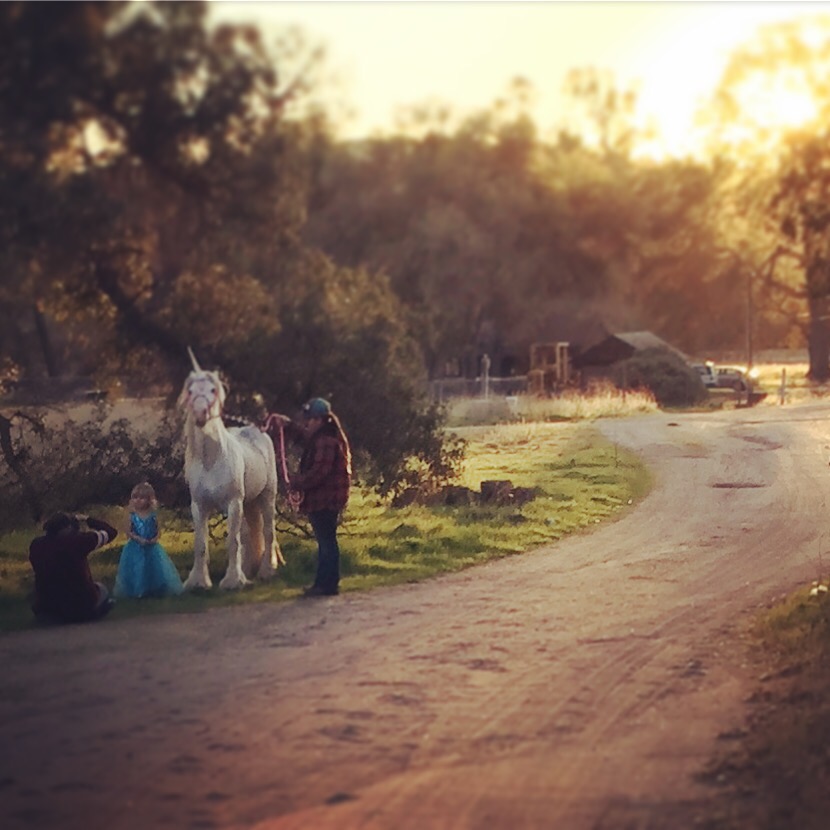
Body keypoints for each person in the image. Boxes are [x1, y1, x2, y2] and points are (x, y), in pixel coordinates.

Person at [263, 397, 351, 597]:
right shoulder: (324, 436)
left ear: (320, 420)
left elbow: (319, 472)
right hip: (328, 498)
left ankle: (326, 585)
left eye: (310, 420)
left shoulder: (326, 441)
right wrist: (287, 426)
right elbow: (304, 437)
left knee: (326, 543)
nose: (307, 423)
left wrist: (296, 482)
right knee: (326, 541)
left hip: (326, 499)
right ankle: (326, 584)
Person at [29, 512, 118, 623]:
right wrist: (87, 519)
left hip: (47, 606)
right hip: (80, 605)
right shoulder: (79, 541)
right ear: (68, 527)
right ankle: (90, 613)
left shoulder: (36, 545)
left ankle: (50, 615)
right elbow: (111, 532)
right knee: (102, 589)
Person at [114, 481, 183, 598]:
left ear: (149, 500)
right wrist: (138, 539)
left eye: (142, 498)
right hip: (135, 547)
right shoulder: (132, 515)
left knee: (153, 567)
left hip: (151, 547)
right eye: (135, 497)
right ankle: (138, 591)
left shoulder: (153, 515)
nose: (138, 500)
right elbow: (128, 532)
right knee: (138, 567)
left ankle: (155, 589)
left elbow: (158, 530)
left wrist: (154, 539)